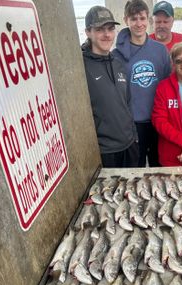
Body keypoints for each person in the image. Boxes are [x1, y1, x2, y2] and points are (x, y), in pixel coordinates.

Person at [113, 0, 171, 167]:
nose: (139, 23)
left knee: (158, 167)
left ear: (148, 20)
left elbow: (167, 87)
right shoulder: (116, 56)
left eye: (142, 18)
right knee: (135, 169)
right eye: (134, 19)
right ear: (126, 20)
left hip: (158, 121)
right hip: (133, 124)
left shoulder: (160, 50)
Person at [82, 6, 139, 168]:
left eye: (110, 29)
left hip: (129, 146)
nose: (107, 34)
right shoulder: (80, 67)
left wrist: (134, 137)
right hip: (105, 153)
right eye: (100, 29)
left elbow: (127, 103)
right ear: (88, 32)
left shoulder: (118, 63)